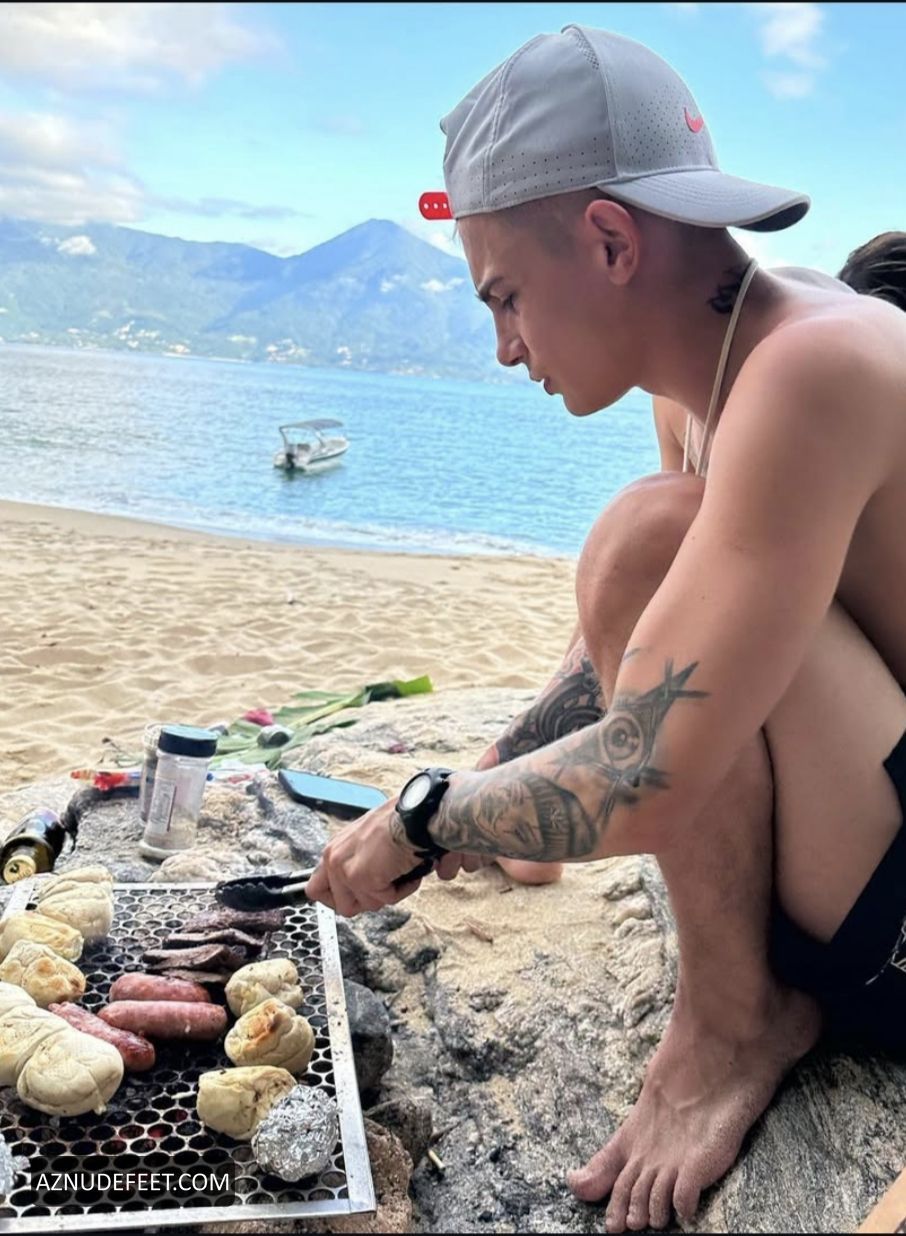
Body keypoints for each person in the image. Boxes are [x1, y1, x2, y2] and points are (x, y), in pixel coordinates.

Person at [306, 25, 906, 1232]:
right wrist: (499, 773)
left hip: (892, 933)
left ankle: (737, 1025)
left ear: (611, 241)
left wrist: (427, 814)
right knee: (650, 540)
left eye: (505, 296)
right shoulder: (710, 373)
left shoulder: (819, 365)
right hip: (853, 845)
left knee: (648, 533)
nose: (504, 347)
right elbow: (649, 648)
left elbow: (649, 772)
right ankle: (741, 995)